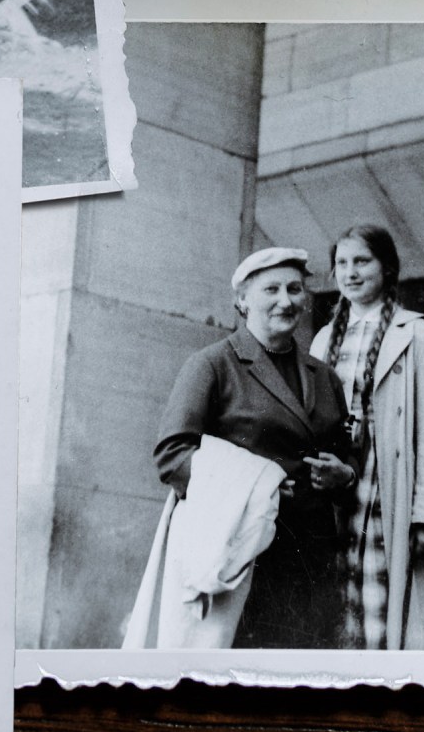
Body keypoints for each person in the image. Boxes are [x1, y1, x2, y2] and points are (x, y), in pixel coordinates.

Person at [153, 247, 358, 649]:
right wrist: (252, 486)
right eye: (272, 289)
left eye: (295, 289)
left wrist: (344, 474)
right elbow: (172, 454)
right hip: (239, 550)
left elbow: (346, 453)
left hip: (310, 555)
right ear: (242, 301)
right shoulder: (213, 364)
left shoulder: (325, 377)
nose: (287, 300)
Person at [313, 224, 424, 649]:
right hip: (336, 490)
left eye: (362, 261)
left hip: (388, 489)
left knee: (387, 610)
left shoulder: (419, 335)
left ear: (388, 267)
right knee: (336, 605)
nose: (350, 272)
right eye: (341, 263)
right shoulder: (323, 340)